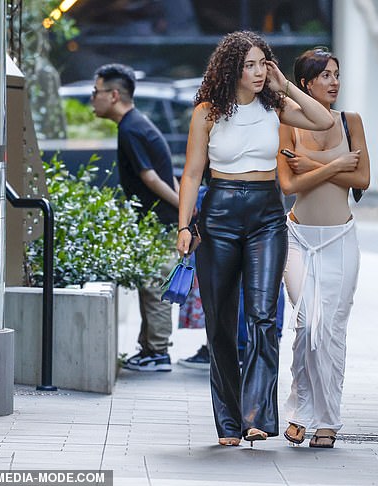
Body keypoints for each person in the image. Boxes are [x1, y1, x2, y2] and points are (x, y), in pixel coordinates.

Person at [176, 31, 333, 447]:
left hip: (266, 213)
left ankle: (256, 415)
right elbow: (192, 173)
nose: (259, 71)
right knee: (221, 322)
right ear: (231, 69)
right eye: (250, 65)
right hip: (219, 215)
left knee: (263, 317)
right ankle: (228, 422)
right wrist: (183, 226)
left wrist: (287, 87)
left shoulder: (276, 105)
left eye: (264, 63)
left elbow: (325, 121)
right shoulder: (207, 112)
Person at [277, 47, 370, 448]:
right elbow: (288, 185)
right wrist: (335, 167)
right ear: (305, 83)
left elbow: (363, 179)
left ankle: (327, 419)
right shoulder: (288, 123)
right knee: (305, 324)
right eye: (326, 75)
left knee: (330, 329)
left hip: (339, 240)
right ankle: (300, 411)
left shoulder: (351, 122)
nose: (334, 82)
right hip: (298, 239)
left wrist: (311, 166)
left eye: (337, 74)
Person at [92, 63, 179, 372]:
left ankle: (158, 353)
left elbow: (152, 178)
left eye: (96, 91)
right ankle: (149, 348)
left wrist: (184, 208)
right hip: (158, 219)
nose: (92, 98)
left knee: (155, 285)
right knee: (151, 284)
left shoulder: (131, 128)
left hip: (160, 222)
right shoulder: (136, 124)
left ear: (114, 95)